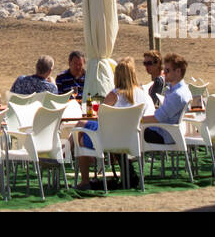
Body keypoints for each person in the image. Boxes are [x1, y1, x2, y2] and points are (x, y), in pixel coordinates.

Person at [76, 58, 154, 189]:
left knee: (82, 131)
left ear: (116, 76)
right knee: (83, 126)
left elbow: (101, 118)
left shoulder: (114, 95)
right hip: (136, 138)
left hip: (110, 140)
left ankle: (85, 180)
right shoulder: (144, 95)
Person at [144, 53, 190, 143]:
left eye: (167, 70)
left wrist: (136, 119)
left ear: (178, 71)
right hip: (171, 132)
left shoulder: (177, 95)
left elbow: (157, 118)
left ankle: (122, 156)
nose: (164, 73)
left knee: (129, 130)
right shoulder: (183, 89)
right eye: (164, 70)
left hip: (165, 134)